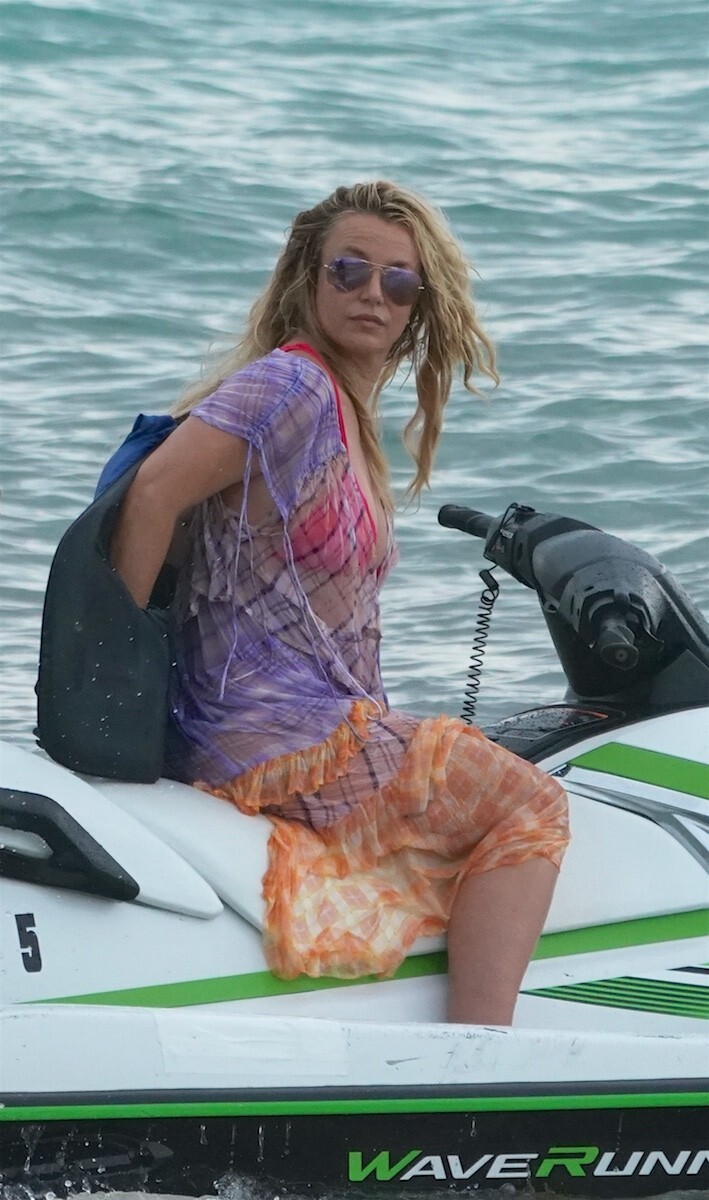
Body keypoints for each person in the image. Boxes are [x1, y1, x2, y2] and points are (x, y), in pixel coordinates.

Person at [111, 180, 569, 1024]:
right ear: (308, 279)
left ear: (418, 306)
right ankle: (480, 1061)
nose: (372, 295)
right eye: (349, 271)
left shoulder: (343, 409)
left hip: (308, 720)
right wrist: (114, 679)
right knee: (530, 804)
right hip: (264, 731)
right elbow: (151, 495)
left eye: (399, 282)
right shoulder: (290, 386)